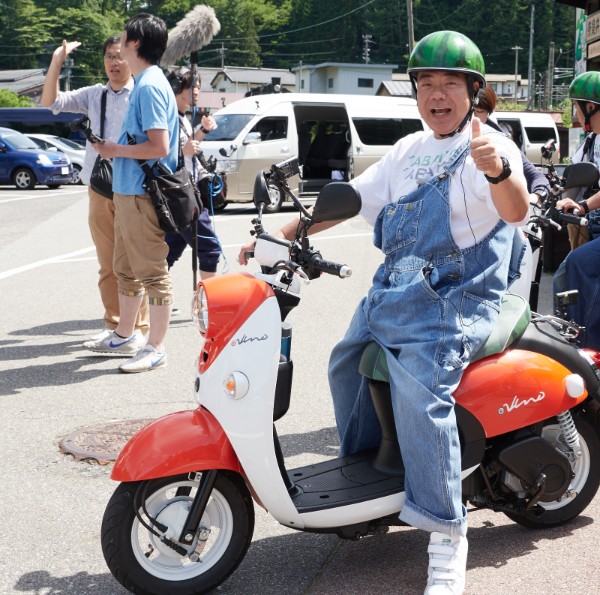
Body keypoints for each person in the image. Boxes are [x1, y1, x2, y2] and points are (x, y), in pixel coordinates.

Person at [240, 31, 529, 593]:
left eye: (450, 84)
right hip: (396, 292)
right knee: (344, 361)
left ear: (474, 90)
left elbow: (515, 211)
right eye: (426, 84)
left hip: (456, 299)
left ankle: (447, 533)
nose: (437, 96)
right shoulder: (408, 151)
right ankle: (372, 486)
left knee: (421, 395)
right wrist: (281, 233)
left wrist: (496, 171)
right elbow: (349, 200)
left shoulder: (489, 147)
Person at [40, 36, 149, 348]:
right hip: (100, 188)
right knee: (107, 264)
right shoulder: (94, 95)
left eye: (119, 56)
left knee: (134, 262)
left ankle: (138, 327)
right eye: (108, 57)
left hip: (134, 188)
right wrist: (57, 61)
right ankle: (115, 324)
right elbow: (51, 103)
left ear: (131, 58)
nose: (114, 63)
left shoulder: (142, 92)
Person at [85, 13, 178, 373]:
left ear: (136, 43)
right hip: (127, 190)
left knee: (152, 271)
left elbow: (159, 146)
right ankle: (125, 334)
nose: (120, 43)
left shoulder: (151, 85)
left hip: (141, 192)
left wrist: (113, 150)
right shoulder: (146, 81)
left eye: (125, 37)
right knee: (125, 268)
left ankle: (155, 346)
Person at [552, 71, 600, 350]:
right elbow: (574, 178)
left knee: (578, 265)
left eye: (576, 105)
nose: (574, 113)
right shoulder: (591, 140)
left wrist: (581, 205)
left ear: (590, 106)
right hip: (594, 222)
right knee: (564, 274)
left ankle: (588, 352)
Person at [164, 68, 221, 281]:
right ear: (177, 88)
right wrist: (182, 151)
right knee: (209, 249)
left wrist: (203, 131)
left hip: (184, 190)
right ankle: (207, 302)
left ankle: (154, 301)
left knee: (167, 253)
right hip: (180, 193)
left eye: (198, 87)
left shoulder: (183, 118)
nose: (196, 92)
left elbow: (189, 149)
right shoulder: (167, 118)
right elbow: (159, 152)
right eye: (192, 87)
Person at [475, 86, 550, 202]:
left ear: (488, 113)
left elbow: (536, 176)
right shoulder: (440, 136)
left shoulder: (500, 141)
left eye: (479, 111)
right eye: (470, 111)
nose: (474, 118)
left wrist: (536, 197)